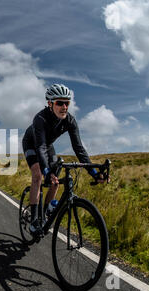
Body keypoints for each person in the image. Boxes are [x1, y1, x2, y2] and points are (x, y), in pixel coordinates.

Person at [22, 84, 107, 234]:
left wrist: (93, 173)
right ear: (50, 103)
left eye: (67, 103)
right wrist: (46, 170)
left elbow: (79, 149)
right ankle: (34, 221)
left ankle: (47, 208)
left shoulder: (70, 121)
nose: (64, 107)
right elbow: (40, 147)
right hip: (32, 144)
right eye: (59, 103)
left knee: (55, 181)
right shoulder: (40, 118)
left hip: (47, 146)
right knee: (38, 176)